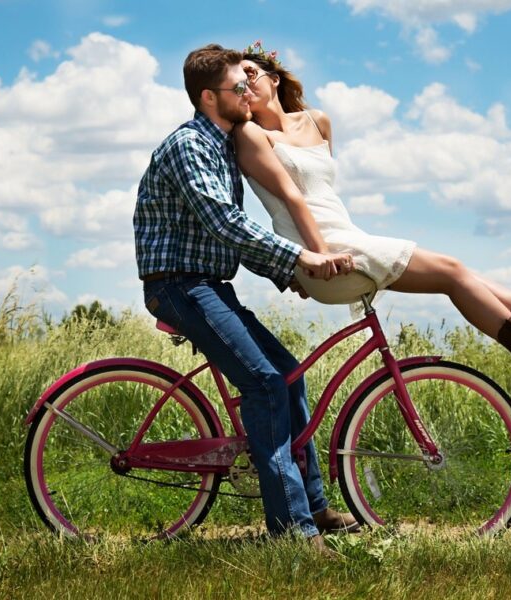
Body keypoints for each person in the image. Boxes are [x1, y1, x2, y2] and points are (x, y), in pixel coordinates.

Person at [233, 43, 511, 386]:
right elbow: (292, 200)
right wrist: (313, 258)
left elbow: (324, 195)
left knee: (460, 273)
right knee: (453, 273)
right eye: (236, 84)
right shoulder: (252, 136)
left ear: (274, 78)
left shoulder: (318, 121)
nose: (244, 86)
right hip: (323, 252)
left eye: (250, 74)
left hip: (345, 237)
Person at [133, 44, 360, 548]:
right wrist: (301, 258)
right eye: (240, 87)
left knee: (290, 377)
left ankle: (315, 507)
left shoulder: (221, 147)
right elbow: (226, 223)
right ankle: (293, 532)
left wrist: (288, 275)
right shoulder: (190, 145)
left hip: (209, 284)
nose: (248, 94)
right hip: (179, 286)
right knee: (265, 386)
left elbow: (228, 236)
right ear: (211, 97)